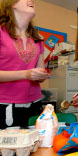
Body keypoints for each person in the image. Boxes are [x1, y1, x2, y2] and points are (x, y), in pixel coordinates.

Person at [0, 0, 49, 129]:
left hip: (35, 104)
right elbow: (28, 73)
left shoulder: (37, 38)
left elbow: (41, 72)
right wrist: (26, 74)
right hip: (5, 106)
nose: (31, 0)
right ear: (12, 4)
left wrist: (41, 75)